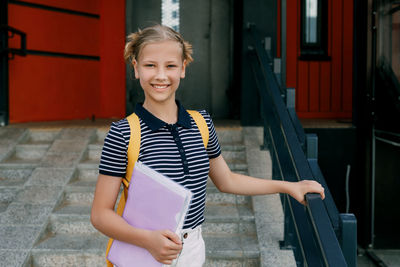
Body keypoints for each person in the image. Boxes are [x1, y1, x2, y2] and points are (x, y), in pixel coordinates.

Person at [90, 24, 325, 267]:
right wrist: (148, 240)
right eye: (150, 65)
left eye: (170, 65)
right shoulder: (123, 133)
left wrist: (288, 187)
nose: (160, 75)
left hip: (191, 249)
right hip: (142, 250)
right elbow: (100, 214)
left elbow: (227, 181)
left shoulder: (201, 123)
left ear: (183, 69)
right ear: (136, 69)